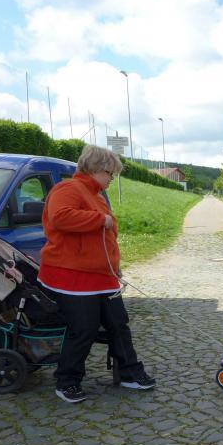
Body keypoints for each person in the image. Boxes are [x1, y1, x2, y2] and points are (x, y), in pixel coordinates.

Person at [38, 145, 156, 403]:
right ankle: (66, 381)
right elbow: (60, 217)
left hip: (102, 276)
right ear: (94, 169)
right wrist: (99, 220)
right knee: (84, 329)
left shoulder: (98, 196)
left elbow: (106, 239)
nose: (112, 178)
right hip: (72, 276)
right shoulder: (67, 189)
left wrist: (114, 265)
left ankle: (129, 372)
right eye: (109, 173)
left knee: (118, 324)